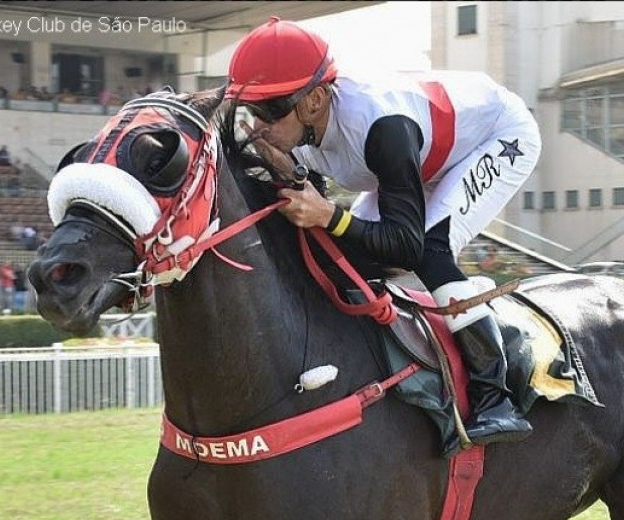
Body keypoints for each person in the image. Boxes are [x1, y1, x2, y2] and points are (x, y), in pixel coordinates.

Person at [226, 17, 539, 452]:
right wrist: (290, 175)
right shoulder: (300, 124)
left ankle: (495, 394)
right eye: (251, 109)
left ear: (315, 100)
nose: (260, 123)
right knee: (347, 253)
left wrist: (330, 215)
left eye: (270, 110)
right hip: (418, 157)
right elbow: (314, 203)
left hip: (496, 136)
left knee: (430, 249)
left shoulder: (381, 127)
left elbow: (405, 245)